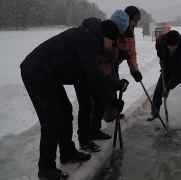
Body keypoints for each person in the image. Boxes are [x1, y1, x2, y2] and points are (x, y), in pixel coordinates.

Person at [20, 18, 128, 180]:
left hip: (50, 76)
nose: (111, 46)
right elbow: (94, 75)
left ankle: (67, 152)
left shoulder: (93, 43)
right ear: (106, 36)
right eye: (112, 42)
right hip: (36, 72)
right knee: (53, 120)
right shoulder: (87, 39)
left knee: (66, 111)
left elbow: (92, 83)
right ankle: (46, 168)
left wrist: (112, 100)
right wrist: (115, 85)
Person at [74, 10, 129, 152]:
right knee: (87, 105)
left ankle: (94, 131)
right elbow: (96, 68)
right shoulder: (94, 38)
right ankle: (85, 139)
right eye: (119, 31)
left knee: (99, 100)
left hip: (94, 71)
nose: (121, 35)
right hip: (87, 72)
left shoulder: (105, 36)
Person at [87, 6, 143, 138]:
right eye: (134, 21)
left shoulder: (130, 33)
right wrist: (118, 53)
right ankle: (93, 123)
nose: (136, 24)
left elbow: (131, 53)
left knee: (113, 87)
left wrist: (134, 70)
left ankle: (111, 115)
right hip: (103, 62)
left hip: (114, 63)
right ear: (127, 20)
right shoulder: (112, 29)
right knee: (101, 91)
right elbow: (106, 49)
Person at [148, 30, 181, 124]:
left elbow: (179, 74)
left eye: (174, 46)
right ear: (166, 44)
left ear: (178, 44)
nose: (172, 48)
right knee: (158, 90)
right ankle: (155, 112)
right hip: (168, 67)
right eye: (169, 46)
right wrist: (161, 57)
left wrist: (168, 87)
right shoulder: (162, 40)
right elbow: (158, 45)